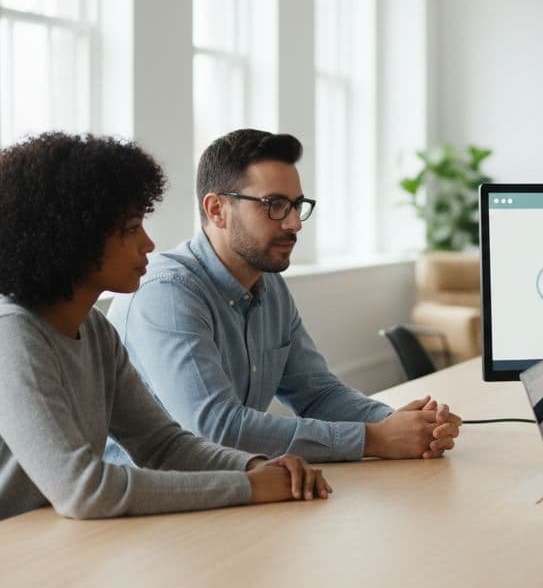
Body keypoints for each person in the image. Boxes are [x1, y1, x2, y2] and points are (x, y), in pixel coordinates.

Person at [0, 133, 328, 554]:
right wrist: (248, 489)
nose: (149, 244)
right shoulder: (8, 333)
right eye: (132, 228)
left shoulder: (95, 331)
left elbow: (163, 445)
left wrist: (252, 466)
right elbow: (83, 489)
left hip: (37, 550)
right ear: (75, 236)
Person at [106, 129, 461, 464]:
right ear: (217, 210)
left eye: (296, 205)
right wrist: (374, 439)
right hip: (142, 508)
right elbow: (216, 430)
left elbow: (318, 394)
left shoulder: (268, 284)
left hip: (229, 489)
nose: (294, 224)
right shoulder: (165, 293)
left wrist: (406, 424)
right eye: (274, 204)